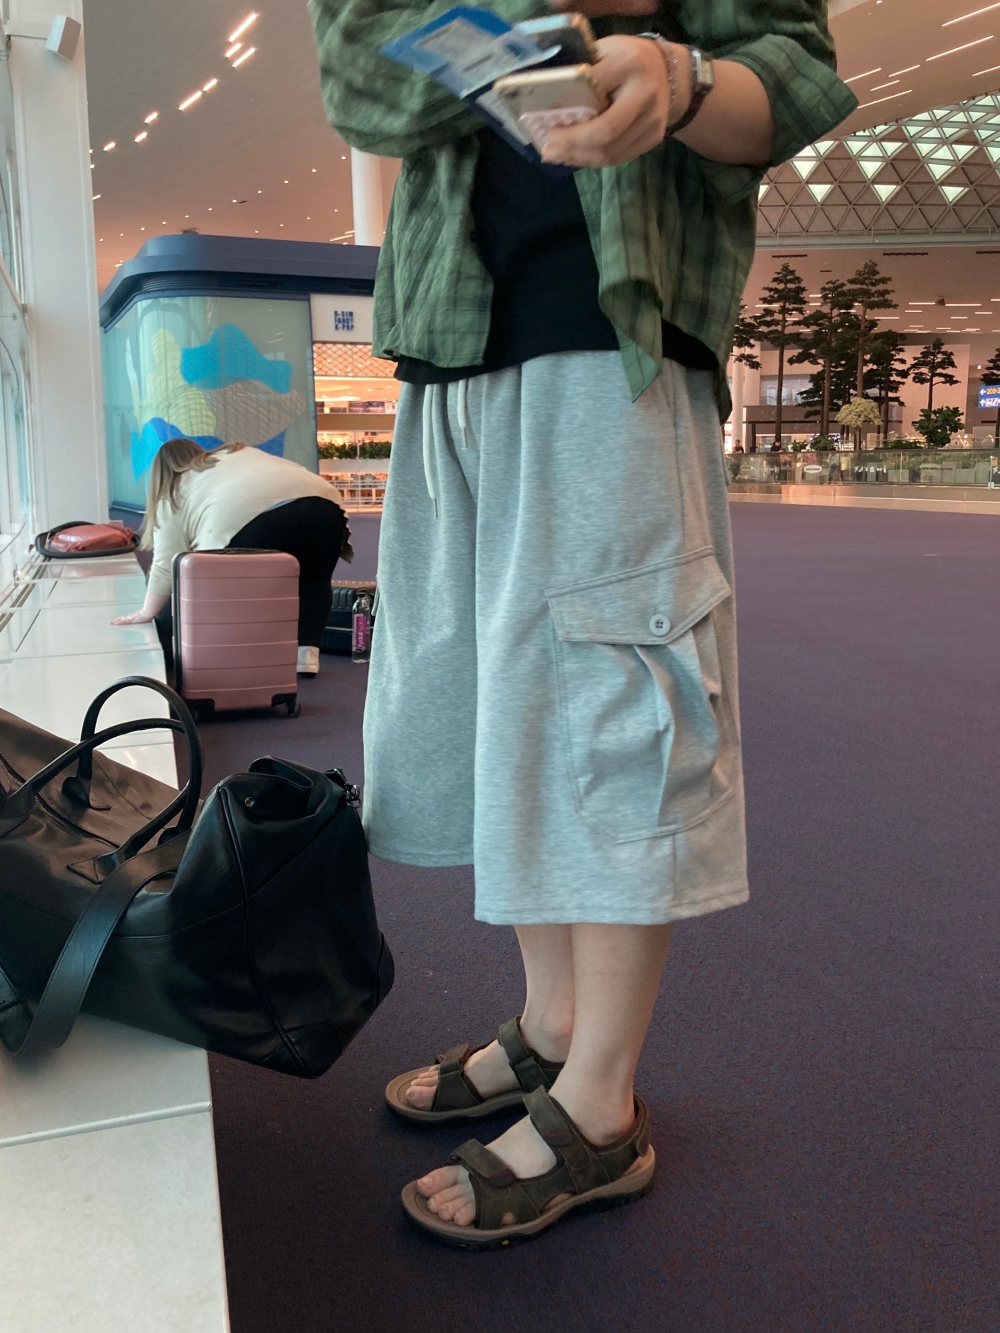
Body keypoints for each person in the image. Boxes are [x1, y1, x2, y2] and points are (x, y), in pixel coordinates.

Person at [311, 0, 855, 1246]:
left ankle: (600, 1102)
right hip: (447, 337)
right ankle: (553, 1026)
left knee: (615, 706)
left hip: (614, 326)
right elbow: (353, 78)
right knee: (499, 710)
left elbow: (793, 71)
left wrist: (676, 73)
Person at [111, 439, 350, 675]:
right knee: (315, 579)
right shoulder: (236, 453)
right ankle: (306, 657)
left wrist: (146, 612)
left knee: (222, 589)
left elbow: (166, 565)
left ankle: (229, 658)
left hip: (252, 518)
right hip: (325, 503)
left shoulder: (174, 489)